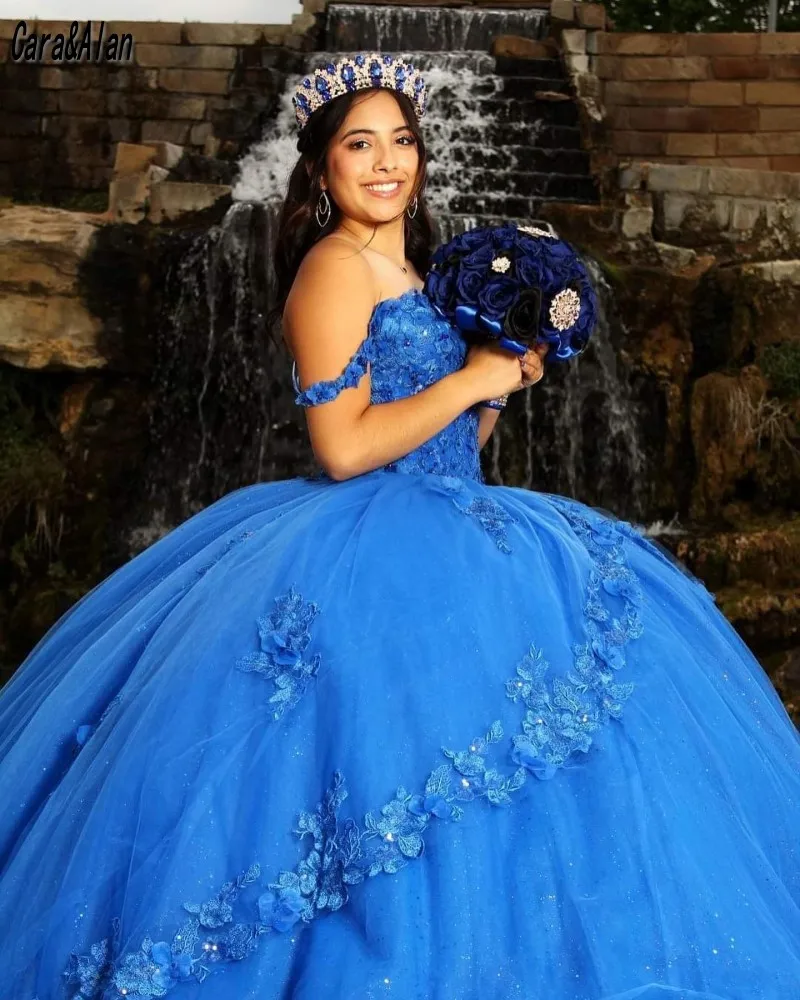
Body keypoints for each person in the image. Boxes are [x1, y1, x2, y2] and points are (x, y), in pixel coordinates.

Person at [0, 53, 798, 1000]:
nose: (388, 164)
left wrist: (506, 374)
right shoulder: (333, 270)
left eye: (403, 141)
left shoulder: (414, 268)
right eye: (360, 144)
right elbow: (340, 447)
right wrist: (471, 378)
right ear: (321, 168)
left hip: (459, 518)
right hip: (370, 544)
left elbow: (451, 432)